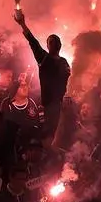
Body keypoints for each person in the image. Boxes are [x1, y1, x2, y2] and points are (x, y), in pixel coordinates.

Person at [14, 10, 71, 139]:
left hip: (60, 106)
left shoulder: (64, 62)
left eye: (55, 41)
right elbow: (33, 42)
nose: (53, 43)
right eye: (50, 41)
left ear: (60, 45)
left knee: (60, 136)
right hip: (48, 106)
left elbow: (68, 79)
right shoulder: (44, 59)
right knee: (47, 136)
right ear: (47, 45)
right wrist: (22, 24)